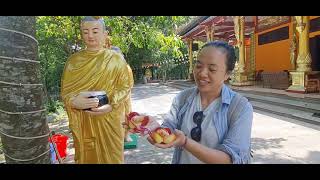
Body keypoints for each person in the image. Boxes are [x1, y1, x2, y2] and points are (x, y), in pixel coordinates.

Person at [147, 40, 253, 164]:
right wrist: (154, 129)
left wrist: (186, 142)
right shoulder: (182, 98)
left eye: (212, 69)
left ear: (227, 74)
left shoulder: (239, 108)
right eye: (198, 66)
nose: (202, 73)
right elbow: (169, 129)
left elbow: (229, 159)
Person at [61, 16, 131, 164]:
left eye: (95, 31)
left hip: (110, 119)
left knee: (113, 158)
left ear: (105, 34)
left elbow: (125, 86)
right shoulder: (73, 61)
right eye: (85, 32)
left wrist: (112, 104)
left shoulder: (116, 59)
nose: (90, 36)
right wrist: (74, 102)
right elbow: (66, 92)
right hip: (85, 121)